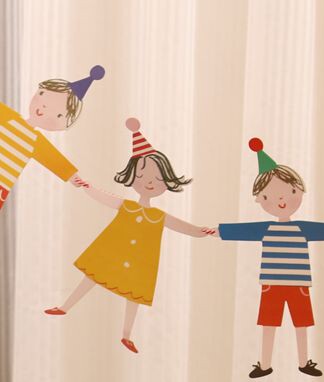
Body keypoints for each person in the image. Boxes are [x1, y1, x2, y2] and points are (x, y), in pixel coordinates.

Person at [44, 118, 214, 354]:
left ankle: (126, 335)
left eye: (158, 178)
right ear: (132, 178)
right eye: (142, 176)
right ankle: (65, 306)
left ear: (166, 182)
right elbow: (104, 198)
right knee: (92, 277)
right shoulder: (127, 206)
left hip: (139, 262)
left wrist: (201, 232)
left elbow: (182, 227)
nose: (149, 182)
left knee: (133, 294)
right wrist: (86, 186)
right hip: (114, 252)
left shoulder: (158, 216)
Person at [214, 137, 324, 378]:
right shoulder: (266, 229)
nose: (282, 200)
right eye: (270, 196)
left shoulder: (302, 228)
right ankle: (265, 364)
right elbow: (241, 230)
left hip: (298, 284)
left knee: (301, 324)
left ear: (299, 191)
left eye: (290, 192)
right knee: (269, 324)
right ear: (261, 199)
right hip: (271, 284)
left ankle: (303, 362)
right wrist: (218, 231)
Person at [0, 65, 104, 212]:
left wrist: (72, 176)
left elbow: (53, 159)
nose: (43, 110)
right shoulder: (9, 117)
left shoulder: (35, 141)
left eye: (58, 115)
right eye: (44, 100)